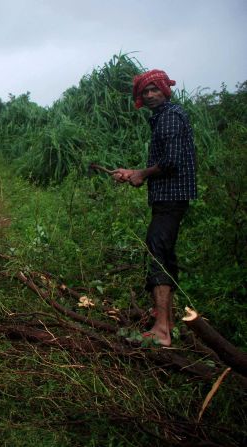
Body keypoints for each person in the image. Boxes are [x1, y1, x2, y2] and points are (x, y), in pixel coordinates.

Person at [112, 69, 197, 347]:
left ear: (164, 89)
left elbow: (171, 162)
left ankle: (161, 330)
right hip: (168, 196)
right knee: (164, 252)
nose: (149, 95)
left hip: (172, 198)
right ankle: (168, 322)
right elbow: (164, 164)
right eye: (144, 92)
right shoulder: (164, 117)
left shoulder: (170, 117)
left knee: (158, 251)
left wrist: (141, 174)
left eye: (154, 89)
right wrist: (135, 172)